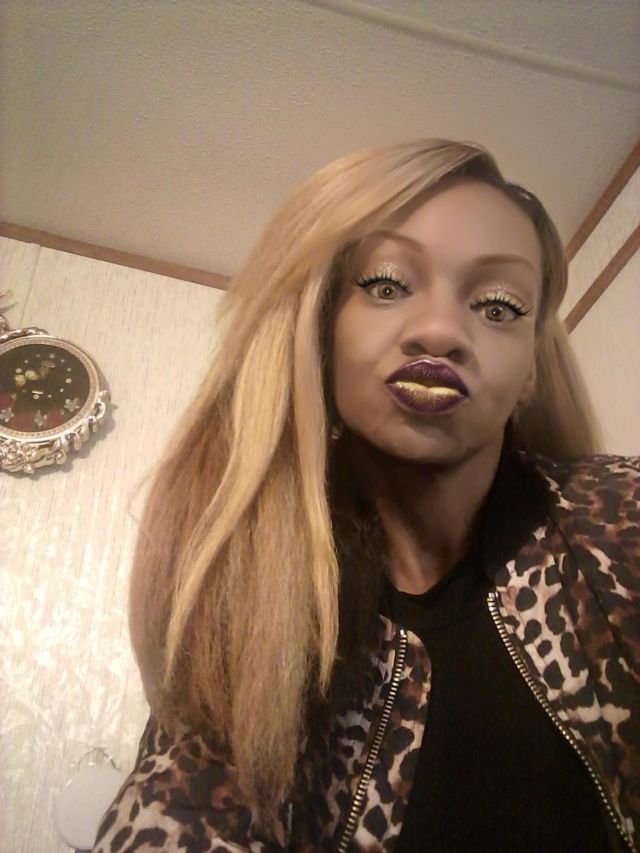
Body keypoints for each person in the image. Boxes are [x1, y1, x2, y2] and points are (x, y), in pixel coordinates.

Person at [93, 139, 639, 852]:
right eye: (386, 286)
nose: (440, 330)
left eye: (499, 305)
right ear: (322, 332)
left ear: (531, 367)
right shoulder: (248, 625)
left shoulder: (621, 521)